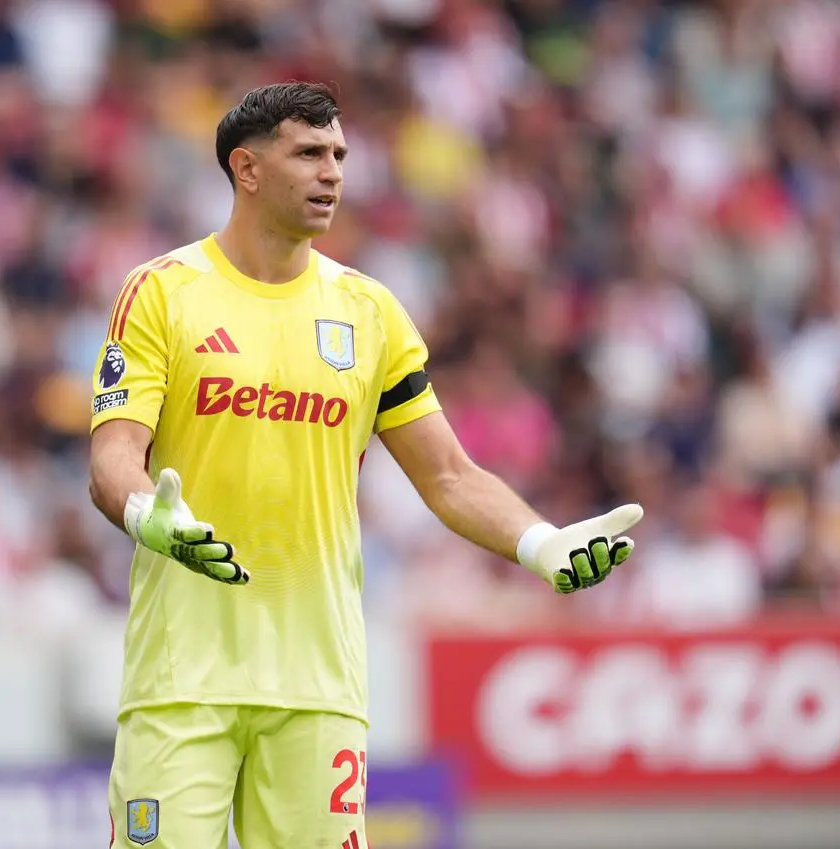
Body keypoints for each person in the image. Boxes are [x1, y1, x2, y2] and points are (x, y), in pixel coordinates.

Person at [88, 81, 643, 849]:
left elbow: (447, 474)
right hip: (183, 678)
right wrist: (148, 513)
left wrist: (542, 543)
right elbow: (113, 456)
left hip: (320, 682)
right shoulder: (162, 292)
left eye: (340, 155)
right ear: (246, 169)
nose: (333, 173)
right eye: (309, 153)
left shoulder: (369, 310)